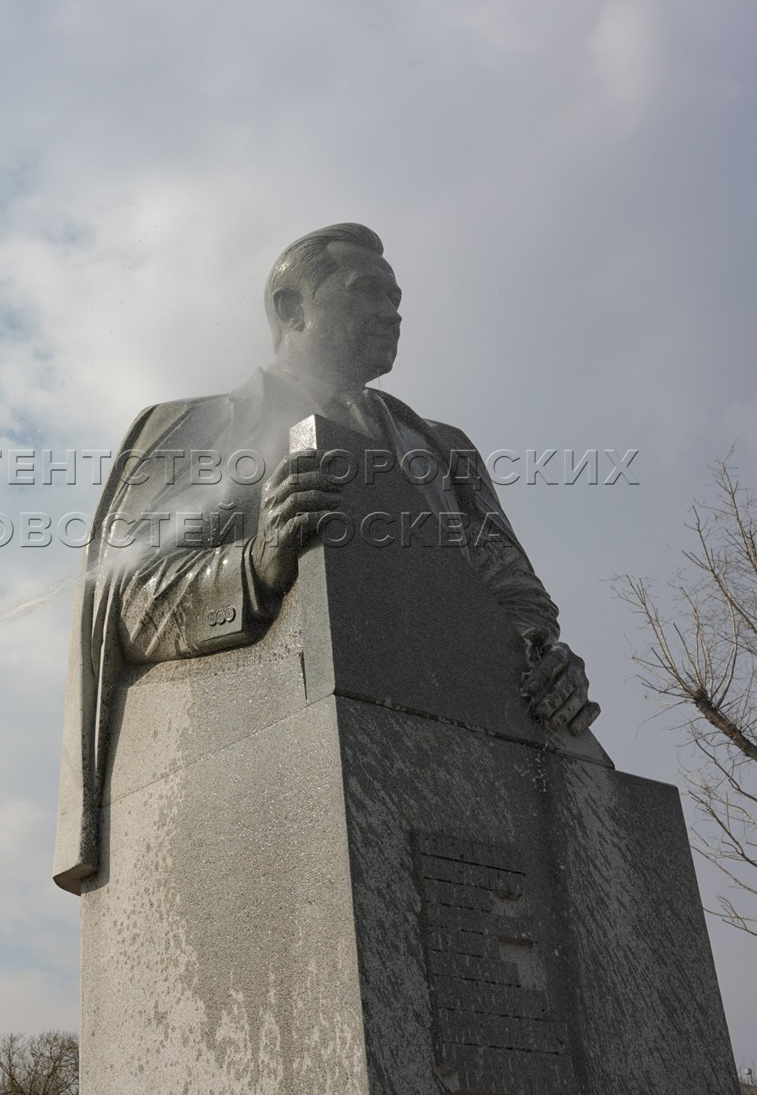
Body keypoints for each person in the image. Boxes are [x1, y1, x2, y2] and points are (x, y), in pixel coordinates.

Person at [53, 223, 595, 893]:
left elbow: (516, 591)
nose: (392, 310)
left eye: (397, 296)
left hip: (476, 757)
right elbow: (130, 603)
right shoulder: (194, 428)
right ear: (291, 307)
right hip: (272, 761)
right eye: (368, 289)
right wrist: (255, 562)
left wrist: (539, 654)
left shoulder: (444, 448)